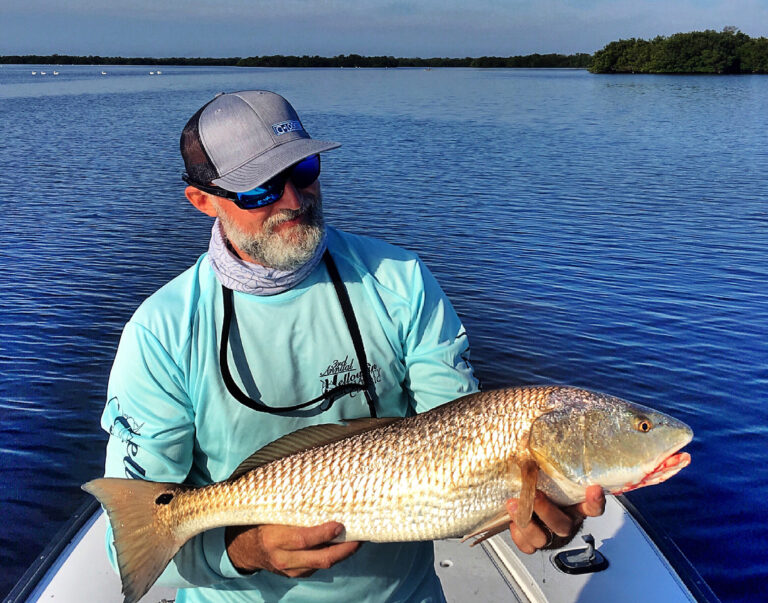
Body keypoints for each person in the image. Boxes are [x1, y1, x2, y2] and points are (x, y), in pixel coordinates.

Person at [99, 90, 604, 603]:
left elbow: (461, 445)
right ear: (201, 200)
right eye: (258, 189)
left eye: (304, 169)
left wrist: (532, 507)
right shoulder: (161, 331)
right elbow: (129, 541)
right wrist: (245, 550)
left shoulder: (401, 280)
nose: (294, 200)